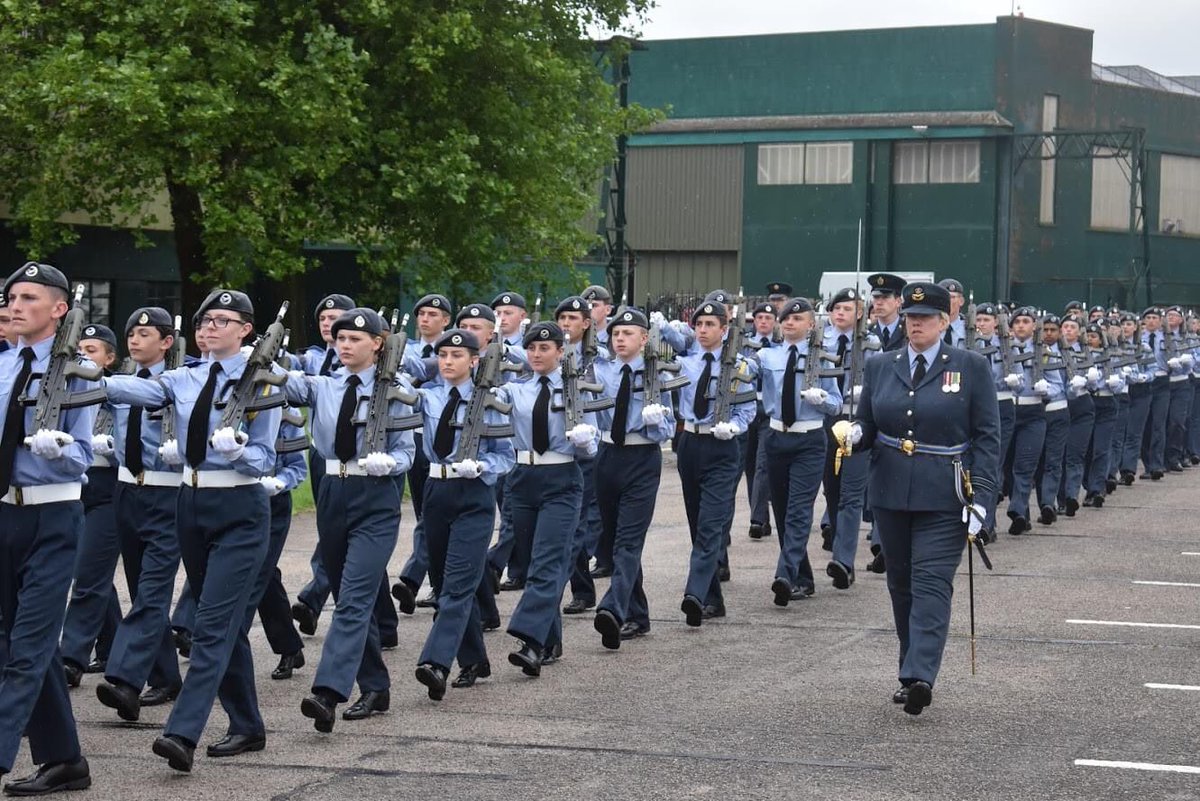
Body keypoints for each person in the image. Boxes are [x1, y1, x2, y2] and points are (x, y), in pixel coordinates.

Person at [103, 289, 282, 772]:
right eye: (204, 321)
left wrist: (237, 451)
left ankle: (182, 733)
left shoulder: (263, 381)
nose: (208, 328)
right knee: (223, 625)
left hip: (240, 506)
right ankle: (247, 724)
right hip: (190, 502)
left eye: (221, 321)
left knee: (210, 626)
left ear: (246, 329)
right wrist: (96, 377)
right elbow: (139, 390)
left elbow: (266, 458)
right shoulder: (184, 378)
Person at [839, 281, 999, 715]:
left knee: (931, 584)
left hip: (944, 493)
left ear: (945, 321)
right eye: (910, 318)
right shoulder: (880, 365)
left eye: (925, 318)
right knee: (901, 585)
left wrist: (983, 500)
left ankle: (921, 675)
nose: (916, 326)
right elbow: (870, 422)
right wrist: (855, 434)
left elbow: (986, 439)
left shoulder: (970, 367)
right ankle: (910, 668)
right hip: (891, 491)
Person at [287, 308, 415, 730]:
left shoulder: (398, 388)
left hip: (375, 494)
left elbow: (407, 451)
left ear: (378, 343)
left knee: (356, 597)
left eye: (355, 339)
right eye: (340, 338)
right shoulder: (324, 385)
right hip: (332, 491)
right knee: (346, 596)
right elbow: (282, 383)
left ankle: (327, 692)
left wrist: (390, 463)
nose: (345, 344)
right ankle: (376, 685)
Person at [0, 262, 96, 794]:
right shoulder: (3, 365)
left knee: (31, 644)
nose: (15, 305)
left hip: (53, 513)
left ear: (59, 309)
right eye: (12, 296)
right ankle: (65, 760)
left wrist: (58, 450)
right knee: (13, 641)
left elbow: (82, 455)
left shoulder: (80, 370)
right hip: (4, 513)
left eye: (29, 298)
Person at [92, 310, 188, 724]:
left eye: (145, 333)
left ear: (167, 342)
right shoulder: (126, 383)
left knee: (151, 592)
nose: (134, 339)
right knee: (137, 586)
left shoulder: (181, 382)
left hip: (167, 495)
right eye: (130, 332)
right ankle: (166, 676)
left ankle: (126, 680)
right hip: (127, 490)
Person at [413, 329, 515, 698]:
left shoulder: (491, 399)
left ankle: (436, 662)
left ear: (475, 360)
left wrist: (482, 467)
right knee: (443, 583)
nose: (448, 361)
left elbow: (506, 454)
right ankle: (474, 659)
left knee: (457, 584)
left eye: (457, 355)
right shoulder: (427, 397)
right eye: (443, 355)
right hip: (436, 491)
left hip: (474, 494)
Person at [502, 321, 596, 674]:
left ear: (561, 351)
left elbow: (594, 436)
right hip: (523, 476)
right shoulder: (516, 389)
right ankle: (551, 638)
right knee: (530, 561)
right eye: (532, 349)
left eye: (545, 348)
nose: (537, 354)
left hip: (561, 477)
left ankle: (530, 641)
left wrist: (587, 440)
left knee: (547, 560)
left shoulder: (577, 387)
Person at [590, 309, 678, 646]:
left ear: (645, 339)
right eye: (616, 334)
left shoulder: (656, 373)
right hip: (608, 456)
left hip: (641, 457)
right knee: (614, 541)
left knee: (629, 540)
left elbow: (669, 427)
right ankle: (638, 615)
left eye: (629, 333)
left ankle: (613, 608)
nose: (621, 339)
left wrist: (655, 421)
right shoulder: (602, 371)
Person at [673, 300, 757, 623]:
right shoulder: (684, 364)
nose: (704, 330)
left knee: (710, 525)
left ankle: (694, 593)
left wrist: (734, 427)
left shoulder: (739, 366)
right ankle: (713, 599)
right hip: (690, 444)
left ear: (725, 330)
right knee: (697, 523)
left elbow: (748, 409)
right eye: (700, 325)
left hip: (722, 447)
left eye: (711, 325)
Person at [759, 298, 841, 604]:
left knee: (798, 510)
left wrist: (821, 400)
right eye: (786, 319)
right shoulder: (768, 356)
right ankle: (802, 577)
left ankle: (785, 573)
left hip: (809, 439)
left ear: (811, 325)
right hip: (777, 436)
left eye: (797, 319)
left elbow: (836, 402)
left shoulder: (823, 358)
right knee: (781, 511)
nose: (790, 323)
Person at [60, 324, 122, 687]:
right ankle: (114, 646)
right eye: (79, 348)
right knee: (92, 575)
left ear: (110, 358)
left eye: (92, 349)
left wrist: (113, 450)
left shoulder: (121, 392)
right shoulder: (67, 388)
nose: (84, 354)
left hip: (108, 490)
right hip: (75, 487)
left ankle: (71, 658)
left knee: (87, 576)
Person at [291, 293, 356, 636]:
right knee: (331, 526)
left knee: (342, 531)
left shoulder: (364, 362)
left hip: (361, 459)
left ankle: (315, 595)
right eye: (324, 318)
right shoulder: (313, 359)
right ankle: (385, 622)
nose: (329, 323)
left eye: (337, 317)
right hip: (322, 453)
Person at [393, 293, 454, 613]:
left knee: (432, 514)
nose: (426, 318)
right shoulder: (405, 350)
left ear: (446, 320)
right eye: (422, 313)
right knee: (424, 514)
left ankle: (414, 577)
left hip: (439, 439)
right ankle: (438, 582)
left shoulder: (452, 354)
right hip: (411, 438)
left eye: (434, 313)